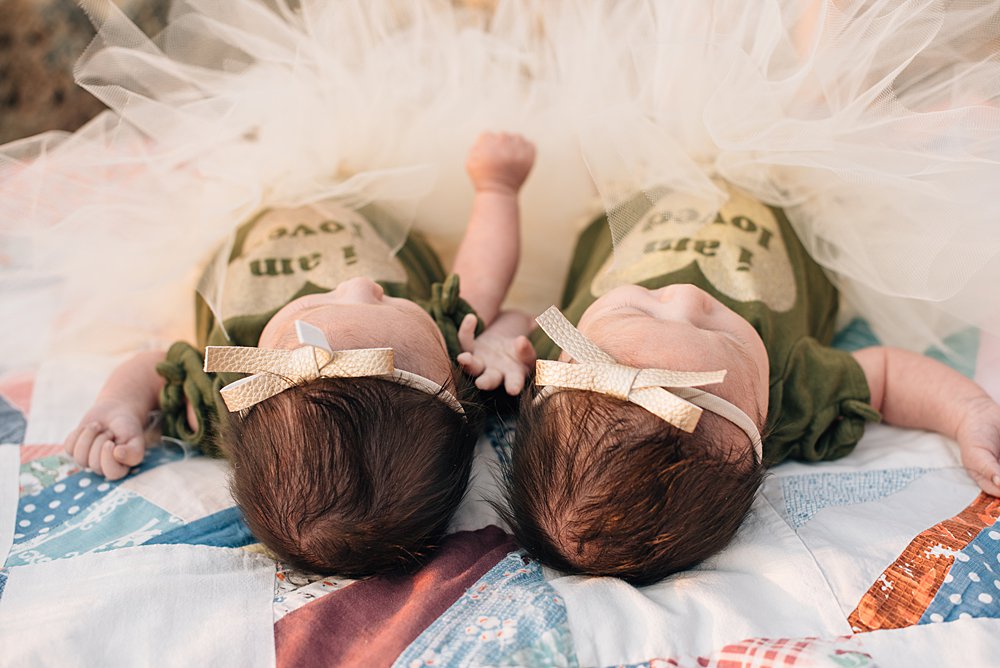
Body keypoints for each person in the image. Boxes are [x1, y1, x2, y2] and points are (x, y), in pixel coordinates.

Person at [62, 131, 538, 577]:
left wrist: (119, 404)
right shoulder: (449, 359)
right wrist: (497, 192)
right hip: (371, 201)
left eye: (317, 306)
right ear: (451, 387)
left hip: (245, 214)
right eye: (388, 302)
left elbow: (155, 366)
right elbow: (486, 286)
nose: (357, 285)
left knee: (202, 156)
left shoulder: (229, 391)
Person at [502, 182, 1000, 586]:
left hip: (639, 186)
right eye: (717, 331)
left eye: (636, 308)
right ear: (761, 426)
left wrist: (496, 346)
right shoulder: (791, 387)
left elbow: (509, 322)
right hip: (788, 192)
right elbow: (888, 375)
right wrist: (968, 412)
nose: (686, 298)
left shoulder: (546, 360)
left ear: (563, 361)